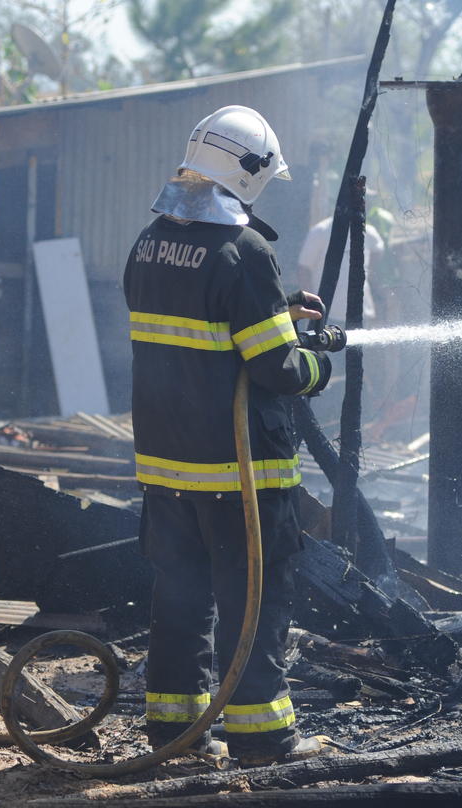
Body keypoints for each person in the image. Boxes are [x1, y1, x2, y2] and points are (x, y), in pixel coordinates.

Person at [125, 105, 334, 767]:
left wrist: (276, 311)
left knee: (180, 603)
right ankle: (262, 739)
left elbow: (209, 332)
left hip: (167, 470)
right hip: (240, 475)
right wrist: (317, 359)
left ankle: (175, 734)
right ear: (246, 173)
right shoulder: (244, 253)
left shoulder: (150, 242)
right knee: (253, 608)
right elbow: (276, 367)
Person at [296, 214, 384, 325]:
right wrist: (312, 306)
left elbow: (378, 249)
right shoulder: (320, 231)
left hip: (362, 313)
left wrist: (367, 271)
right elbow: (304, 269)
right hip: (326, 314)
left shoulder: (369, 231)